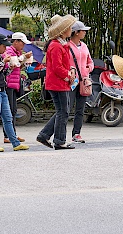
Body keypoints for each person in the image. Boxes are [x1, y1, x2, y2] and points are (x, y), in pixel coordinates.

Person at [0, 33, 30, 152]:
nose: (5, 49)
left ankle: (15, 143)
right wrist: (3, 62)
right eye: (3, 46)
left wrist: (10, 68)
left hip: (2, 90)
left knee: (8, 117)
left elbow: (3, 74)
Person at [36, 14, 77, 150]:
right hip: (57, 83)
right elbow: (57, 67)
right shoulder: (56, 46)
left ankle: (45, 135)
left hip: (59, 82)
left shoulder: (60, 45)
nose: (71, 29)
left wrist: (70, 70)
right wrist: (68, 75)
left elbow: (63, 63)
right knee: (63, 111)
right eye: (69, 28)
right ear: (63, 30)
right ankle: (59, 140)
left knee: (62, 111)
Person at [2, 32, 33, 144]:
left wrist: (25, 61)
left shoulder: (17, 52)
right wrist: (24, 57)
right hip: (9, 84)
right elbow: (12, 63)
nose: (23, 46)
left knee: (13, 110)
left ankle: (12, 134)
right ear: (16, 42)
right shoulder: (9, 51)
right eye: (22, 43)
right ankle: (8, 135)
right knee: (9, 110)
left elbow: (18, 65)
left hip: (14, 84)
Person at [67, 20, 94, 143]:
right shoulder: (67, 46)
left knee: (80, 109)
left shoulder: (84, 46)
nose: (85, 33)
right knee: (66, 107)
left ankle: (76, 133)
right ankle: (61, 133)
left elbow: (90, 61)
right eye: (83, 31)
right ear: (76, 32)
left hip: (84, 80)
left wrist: (88, 68)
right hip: (71, 81)